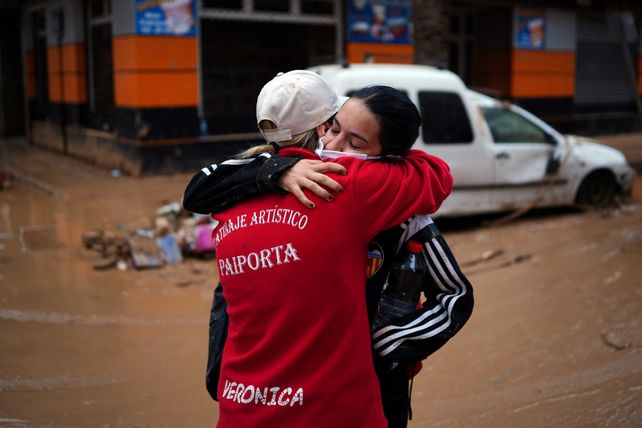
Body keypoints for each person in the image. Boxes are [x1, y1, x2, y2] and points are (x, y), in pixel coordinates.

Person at [183, 71, 474, 427]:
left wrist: (274, 168)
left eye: (354, 141)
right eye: (334, 130)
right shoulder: (346, 186)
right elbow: (437, 175)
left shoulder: (226, 201)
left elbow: (198, 192)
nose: (336, 147)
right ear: (321, 128)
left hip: (239, 406)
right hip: (337, 408)